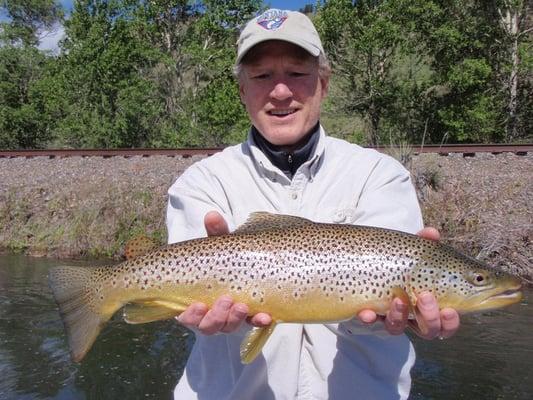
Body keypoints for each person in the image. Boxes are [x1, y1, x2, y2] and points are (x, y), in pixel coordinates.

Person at [166, 8, 460, 400]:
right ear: (241, 90)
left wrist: (411, 318)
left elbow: (382, 311)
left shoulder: (380, 175)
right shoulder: (201, 182)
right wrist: (195, 314)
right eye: (262, 76)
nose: (281, 91)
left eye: (297, 74)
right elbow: (184, 308)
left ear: (323, 82)